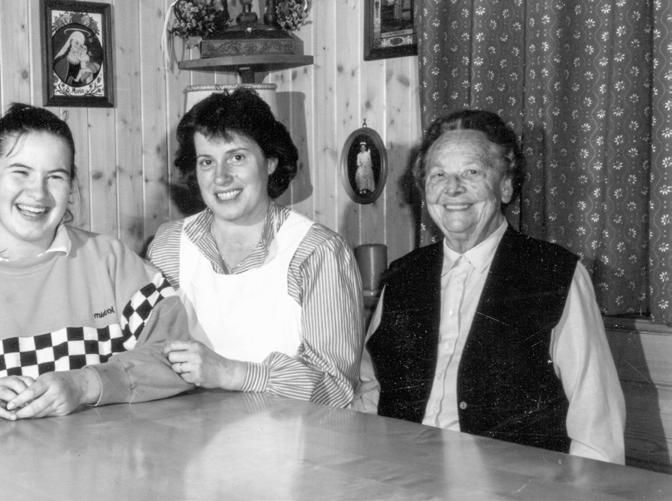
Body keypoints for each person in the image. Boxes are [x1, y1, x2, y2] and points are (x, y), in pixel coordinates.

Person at [355, 109, 625, 463]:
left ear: (506, 185)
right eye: (438, 175)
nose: (453, 188)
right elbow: (371, 388)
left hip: (514, 483)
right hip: (403, 475)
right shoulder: (403, 276)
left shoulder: (555, 274)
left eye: (472, 172)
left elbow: (596, 422)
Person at [0, 103, 192, 422]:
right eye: (20, 173)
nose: (38, 193)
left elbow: (181, 360)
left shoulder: (111, 260)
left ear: (71, 187)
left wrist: (85, 384)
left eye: (55, 177)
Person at [148, 89, 364, 407]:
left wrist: (234, 374)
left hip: (293, 435)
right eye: (207, 162)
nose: (221, 177)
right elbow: (146, 357)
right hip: (185, 429)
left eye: (237, 157)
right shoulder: (169, 246)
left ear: (271, 162)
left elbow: (336, 388)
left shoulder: (318, 252)